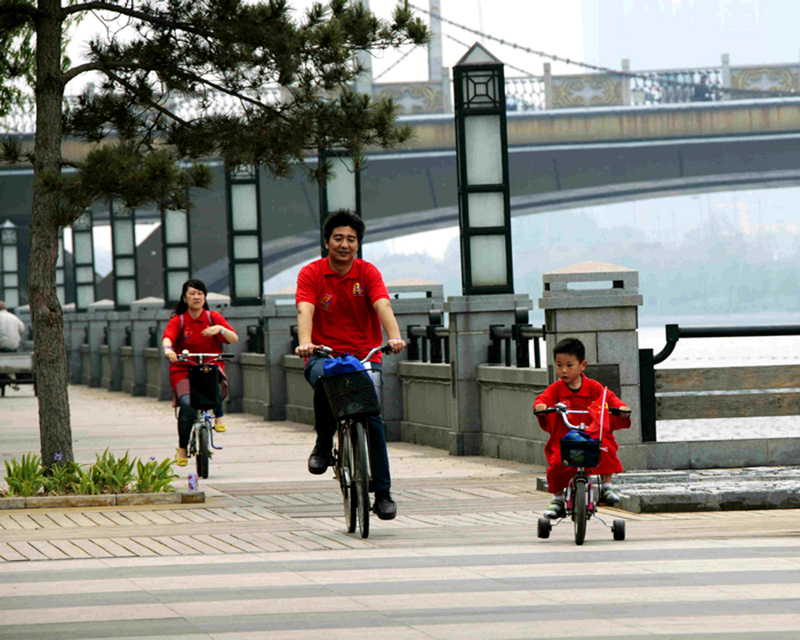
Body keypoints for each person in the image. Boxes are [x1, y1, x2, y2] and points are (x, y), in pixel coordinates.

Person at [295, 209, 406, 520]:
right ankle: (323, 445)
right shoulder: (311, 273)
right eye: (338, 238)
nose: (344, 244)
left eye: (351, 239)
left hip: (364, 356)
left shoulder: (367, 272)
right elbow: (305, 310)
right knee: (324, 379)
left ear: (358, 244)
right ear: (327, 241)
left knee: (372, 417)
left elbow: (382, 304)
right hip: (324, 353)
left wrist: (394, 337)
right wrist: (306, 343)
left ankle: (383, 493)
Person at [534, 338, 631, 519]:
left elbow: (609, 398)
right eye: (559, 365)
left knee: (606, 448)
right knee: (557, 463)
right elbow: (542, 399)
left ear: (582, 365)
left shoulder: (593, 387)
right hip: (565, 438)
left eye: (569, 365)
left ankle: (607, 486)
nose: (564, 370)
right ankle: (557, 499)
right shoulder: (555, 389)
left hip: (591, 435)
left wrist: (621, 407)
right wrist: (541, 406)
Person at [162, 279, 239, 466]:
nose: (196, 297)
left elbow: (233, 338)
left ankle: (219, 415)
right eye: (192, 293)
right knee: (187, 404)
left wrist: (220, 329)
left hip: (209, 366)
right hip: (184, 370)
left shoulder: (213, 318)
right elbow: (167, 338)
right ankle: (182, 447)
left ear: (205, 298)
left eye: (200, 294)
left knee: (214, 379)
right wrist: (168, 350)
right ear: (185, 297)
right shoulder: (179, 320)